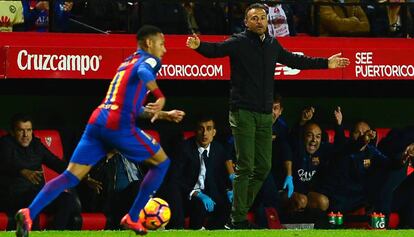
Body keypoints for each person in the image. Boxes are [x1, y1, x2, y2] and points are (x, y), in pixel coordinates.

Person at [186, 2, 350, 229]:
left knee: (262, 168)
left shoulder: (273, 44)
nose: (259, 21)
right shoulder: (238, 42)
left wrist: (326, 63)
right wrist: (198, 46)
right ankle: (237, 218)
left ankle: (236, 211)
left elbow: (295, 60)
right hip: (242, 112)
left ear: (267, 20)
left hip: (264, 115)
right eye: (254, 18)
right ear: (246, 22)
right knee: (245, 166)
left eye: (262, 18)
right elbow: (215, 51)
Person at [15, 25, 185, 237]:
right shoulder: (149, 60)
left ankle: (29, 213)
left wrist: (163, 114)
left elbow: (126, 105)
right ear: (149, 43)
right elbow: (144, 73)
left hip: (98, 120)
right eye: (162, 44)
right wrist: (160, 96)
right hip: (119, 125)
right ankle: (132, 217)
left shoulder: (126, 62)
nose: (164, 50)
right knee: (162, 163)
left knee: (71, 176)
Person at [0, 113, 82, 230]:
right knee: (34, 198)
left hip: (36, 194)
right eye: (21, 130)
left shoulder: (36, 145)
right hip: (14, 197)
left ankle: (55, 233)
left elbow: (56, 163)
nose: (25, 135)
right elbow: (4, 163)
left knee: (66, 199)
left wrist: (80, 173)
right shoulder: (5, 144)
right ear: (12, 132)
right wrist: (21, 171)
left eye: (28, 130)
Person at [173, 116, 232, 229]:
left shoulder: (218, 149)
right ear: (196, 131)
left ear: (214, 132)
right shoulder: (184, 149)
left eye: (209, 129)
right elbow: (175, 179)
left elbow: (222, 177)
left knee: (228, 204)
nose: (205, 133)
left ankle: (214, 230)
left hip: (211, 193)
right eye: (201, 129)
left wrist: (229, 190)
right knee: (198, 205)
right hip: (188, 195)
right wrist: (196, 193)